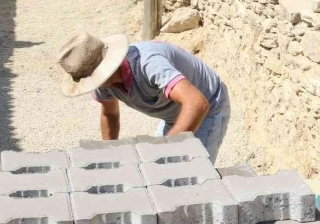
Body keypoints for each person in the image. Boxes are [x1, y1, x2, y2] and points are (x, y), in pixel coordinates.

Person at [56, 32, 232, 163]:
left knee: (189, 175)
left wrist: (169, 149)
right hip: (176, 112)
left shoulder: (149, 64)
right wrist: (108, 155)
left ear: (102, 71)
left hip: (208, 107)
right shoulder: (104, 84)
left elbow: (197, 103)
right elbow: (109, 114)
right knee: (162, 167)